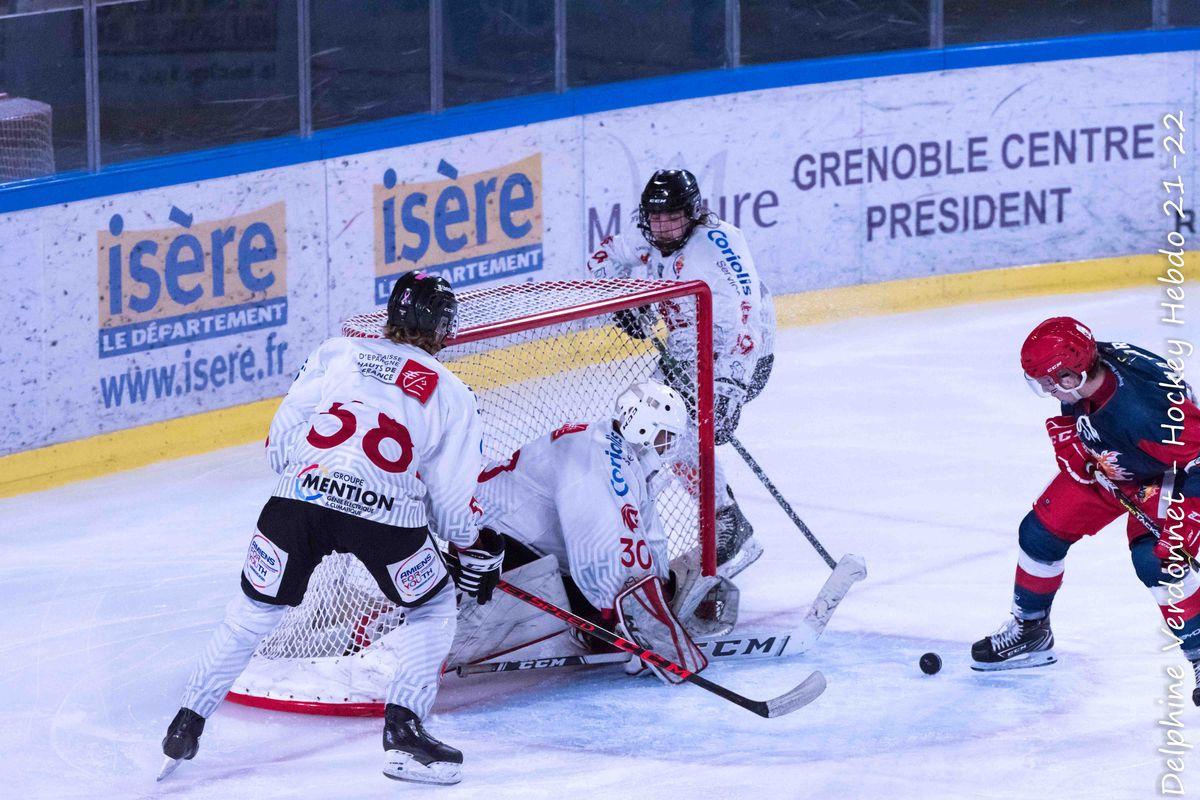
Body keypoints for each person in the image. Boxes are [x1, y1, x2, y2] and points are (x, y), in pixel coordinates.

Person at [159, 272, 503, 786]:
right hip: (384, 517)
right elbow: (454, 509)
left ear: (390, 315)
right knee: (431, 606)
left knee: (251, 614)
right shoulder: (452, 392)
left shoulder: (337, 353)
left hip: (297, 500)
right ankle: (404, 731)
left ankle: (187, 721)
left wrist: (323, 478)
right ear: (444, 328)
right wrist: (475, 544)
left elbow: (279, 444)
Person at [972, 317, 1200, 686]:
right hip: (1114, 461)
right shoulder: (1091, 368)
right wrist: (1078, 440)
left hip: (1165, 474)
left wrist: (1189, 517)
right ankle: (1031, 632)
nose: (1047, 391)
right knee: (1039, 533)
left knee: (1157, 561)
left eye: (1050, 382)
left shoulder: (1146, 412)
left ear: (1070, 376)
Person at [445, 380, 724, 681]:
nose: (668, 447)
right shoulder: (599, 457)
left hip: (511, 545)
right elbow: (601, 545)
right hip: (488, 548)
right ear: (644, 427)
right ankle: (436, 637)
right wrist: (633, 624)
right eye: (666, 437)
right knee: (606, 619)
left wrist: (661, 595)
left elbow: (644, 536)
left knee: (609, 610)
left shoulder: (619, 452)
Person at [586, 169, 776, 578]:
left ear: (692, 213)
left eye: (673, 218)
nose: (665, 228)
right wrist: (625, 301)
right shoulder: (648, 237)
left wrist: (729, 387)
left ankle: (726, 519)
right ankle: (727, 517)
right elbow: (601, 258)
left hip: (739, 354)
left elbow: (746, 319)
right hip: (684, 352)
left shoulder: (719, 244)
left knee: (670, 429)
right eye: (656, 219)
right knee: (652, 428)